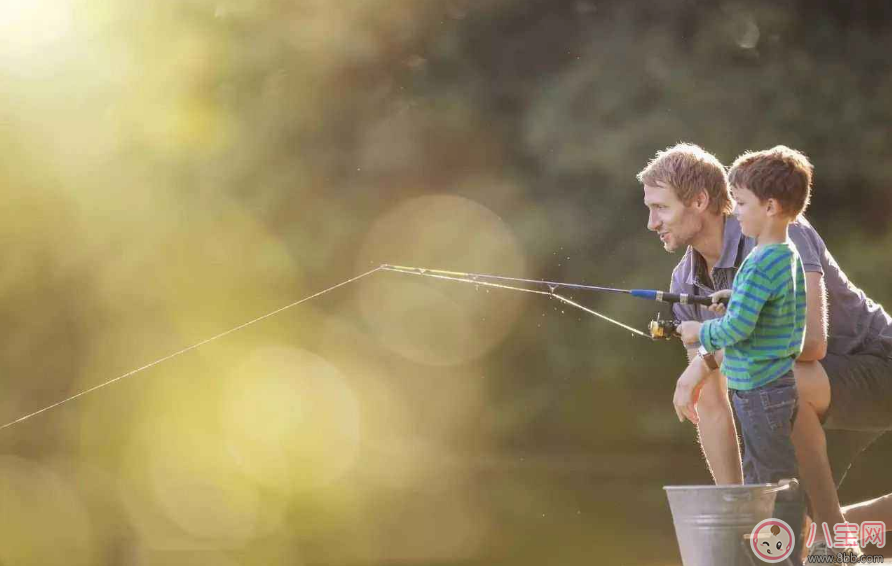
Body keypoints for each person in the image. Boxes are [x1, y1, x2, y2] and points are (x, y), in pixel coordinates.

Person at [638, 143, 892, 559]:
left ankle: (834, 543)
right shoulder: (685, 280)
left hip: (877, 366)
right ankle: (832, 540)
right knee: (790, 526)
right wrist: (737, 510)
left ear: (699, 201)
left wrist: (704, 357)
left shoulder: (780, 232)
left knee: (775, 378)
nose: (651, 222)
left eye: (660, 208)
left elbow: (810, 344)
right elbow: (713, 406)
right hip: (809, 400)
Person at [675, 146, 811, 559]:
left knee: (767, 483)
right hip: (779, 386)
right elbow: (775, 308)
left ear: (770, 206)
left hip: (757, 392)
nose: (735, 213)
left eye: (742, 204)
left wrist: (700, 330)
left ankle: (779, 555)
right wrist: (734, 295)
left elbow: (736, 328)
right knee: (775, 476)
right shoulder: (785, 256)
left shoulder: (756, 262)